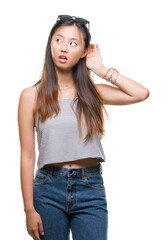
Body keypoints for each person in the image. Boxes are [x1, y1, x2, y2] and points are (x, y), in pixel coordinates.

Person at [18, 14, 149, 240]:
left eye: (73, 43)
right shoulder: (31, 95)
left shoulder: (92, 93)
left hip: (90, 187)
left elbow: (140, 93)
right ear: (50, 43)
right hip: (48, 189)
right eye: (59, 40)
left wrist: (101, 69)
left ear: (83, 52)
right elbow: (27, 155)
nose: (64, 48)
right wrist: (29, 209)